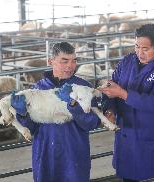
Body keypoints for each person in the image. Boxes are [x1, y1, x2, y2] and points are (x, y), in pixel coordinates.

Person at [11, 42, 101, 182]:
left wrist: (73, 105)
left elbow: (92, 123)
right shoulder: (37, 90)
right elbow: (31, 128)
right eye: (64, 61)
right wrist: (22, 114)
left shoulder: (83, 88)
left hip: (73, 154)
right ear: (50, 61)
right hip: (46, 153)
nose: (70, 66)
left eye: (74, 61)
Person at [98, 24, 154, 182]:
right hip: (126, 138)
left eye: (145, 49)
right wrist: (110, 111)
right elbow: (111, 88)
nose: (139, 52)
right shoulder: (127, 61)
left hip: (150, 139)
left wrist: (122, 93)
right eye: (136, 46)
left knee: (152, 177)